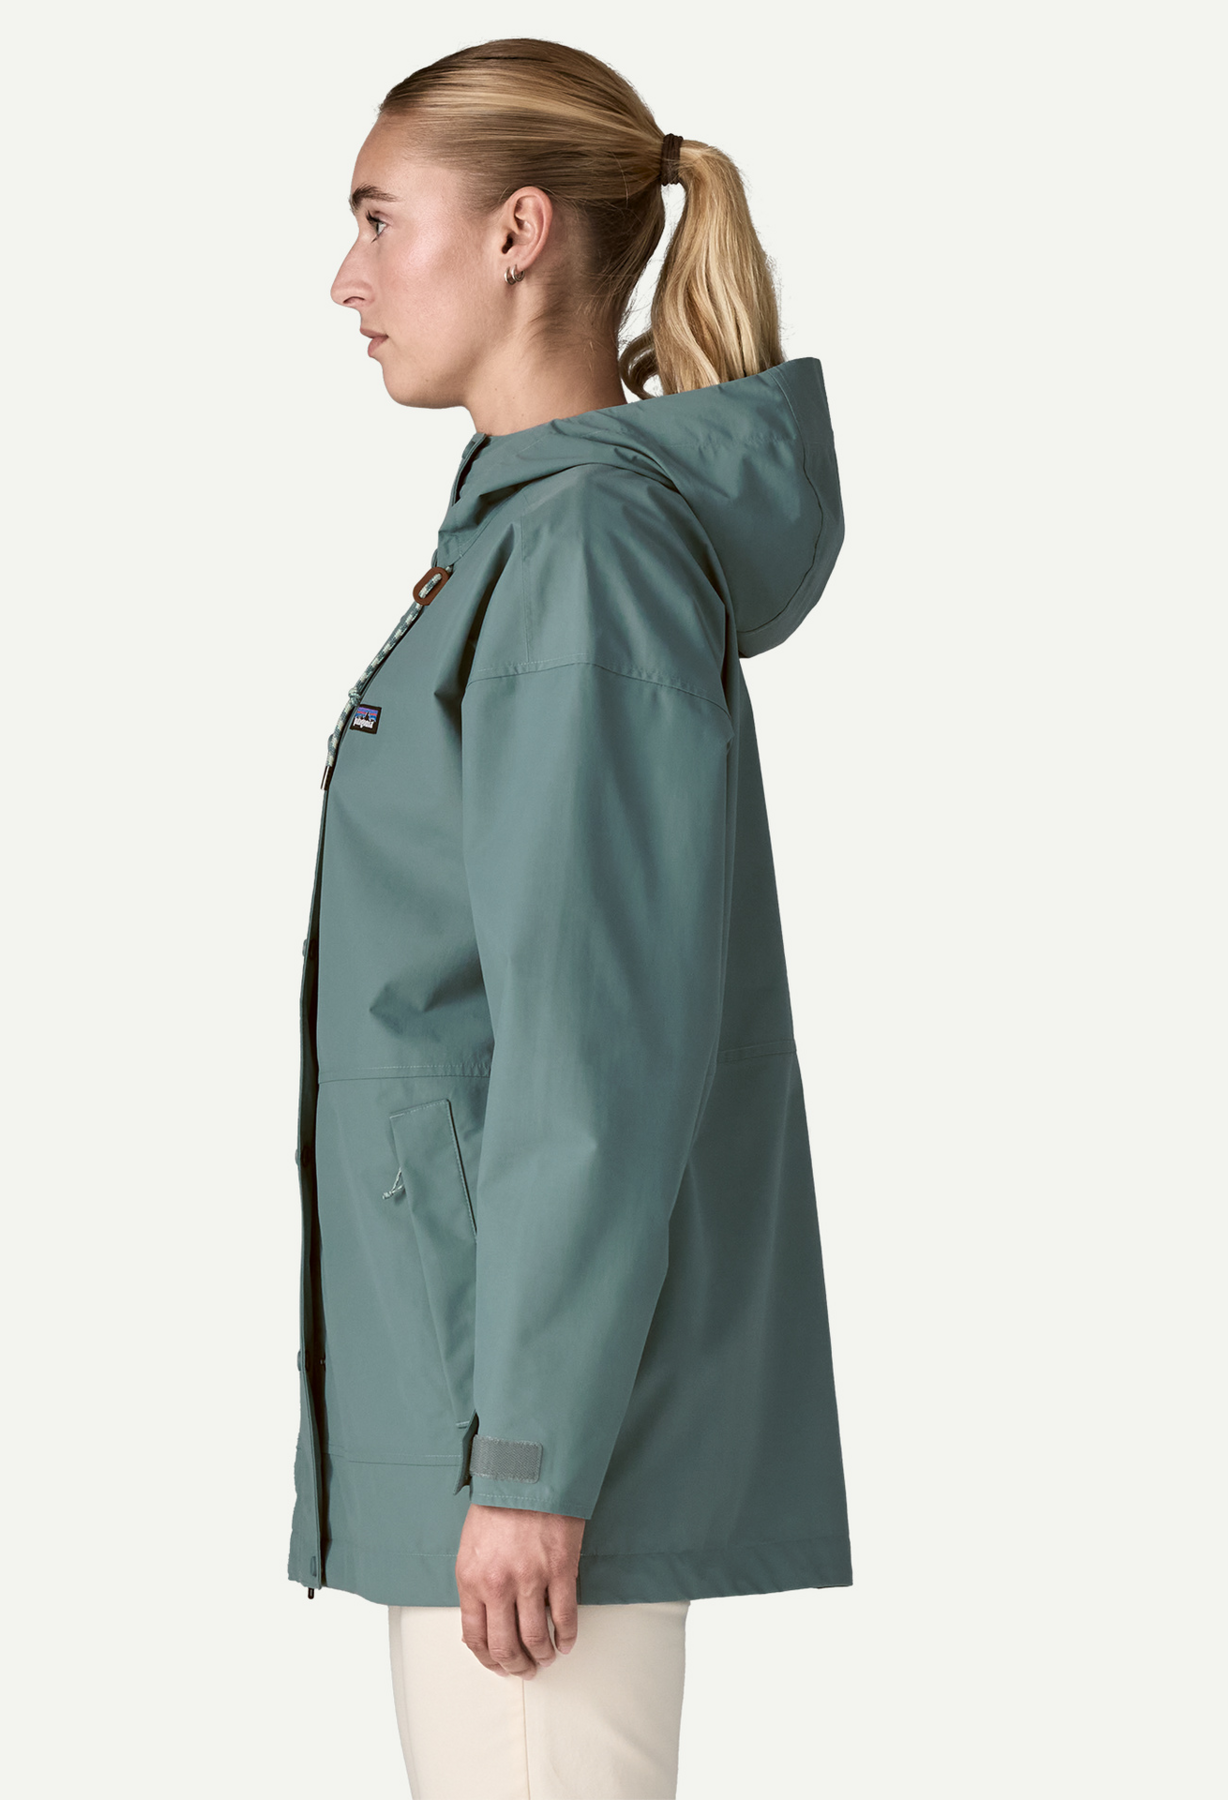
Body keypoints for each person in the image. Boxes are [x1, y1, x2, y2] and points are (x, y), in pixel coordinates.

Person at [293, 38, 851, 1799]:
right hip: (480, 1408)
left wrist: (529, 1462)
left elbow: (596, 1045)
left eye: (381, 220)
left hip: (529, 1451)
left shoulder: (583, 553)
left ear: (519, 231)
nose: (349, 278)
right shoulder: (527, 545)